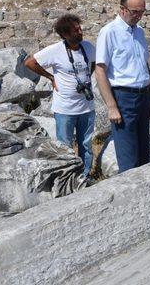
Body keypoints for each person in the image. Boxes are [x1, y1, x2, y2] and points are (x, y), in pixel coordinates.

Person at [24, 14, 96, 179]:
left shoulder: (88, 47)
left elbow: (95, 64)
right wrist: (50, 77)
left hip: (86, 106)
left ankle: (85, 176)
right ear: (65, 35)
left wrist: (86, 79)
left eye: (80, 28)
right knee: (65, 146)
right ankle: (68, 177)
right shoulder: (55, 50)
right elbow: (29, 62)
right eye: (75, 30)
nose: (80, 32)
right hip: (65, 108)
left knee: (86, 144)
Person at [95, 0, 150, 173]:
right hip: (124, 98)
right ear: (122, 9)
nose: (139, 16)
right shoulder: (109, 32)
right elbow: (100, 71)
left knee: (145, 156)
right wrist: (112, 106)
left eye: (142, 12)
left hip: (143, 96)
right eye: (135, 11)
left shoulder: (139, 32)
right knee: (128, 159)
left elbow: (145, 66)